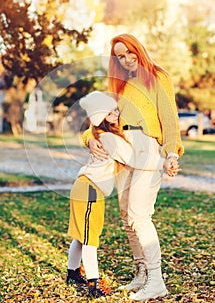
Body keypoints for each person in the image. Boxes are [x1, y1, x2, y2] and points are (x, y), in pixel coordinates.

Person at [82, 34, 184, 301]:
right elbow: (99, 120)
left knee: (140, 215)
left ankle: (156, 280)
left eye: (129, 53)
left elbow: (170, 119)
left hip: (148, 148)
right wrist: (89, 139)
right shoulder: (120, 86)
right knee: (127, 218)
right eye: (119, 56)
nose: (126, 59)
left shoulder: (157, 77)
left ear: (138, 50)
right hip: (122, 150)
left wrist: (172, 153)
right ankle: (141, 274)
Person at [66, 90, 164, 298]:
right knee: (90, 239)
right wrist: (164, 163)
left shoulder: (101, 134)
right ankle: (94, 285)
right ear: (100, 118)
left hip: (85, 187)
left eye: (116, 110)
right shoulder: (110, 138)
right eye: (110, 113)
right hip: (89, 190)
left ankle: (72, 272)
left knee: (82, 234)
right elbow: (136, 160)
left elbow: (91, 133)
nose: (116, 114)